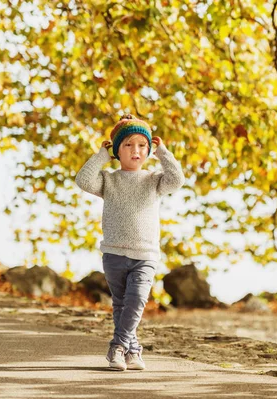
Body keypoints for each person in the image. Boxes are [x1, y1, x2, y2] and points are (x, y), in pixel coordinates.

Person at [75, 114, 185, 371]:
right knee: (122, 304)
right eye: (128, 145)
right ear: (117, 150)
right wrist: (102, 156)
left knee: (136, 301)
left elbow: (177, 180)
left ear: (149, 149)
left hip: (145, 254)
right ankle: (132, 351)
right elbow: (83, 180)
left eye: (142, 145)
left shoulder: (154, 180)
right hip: (114, 253)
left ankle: (117, 346)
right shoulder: (108, 180)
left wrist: (164, 154)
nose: (136, 150)